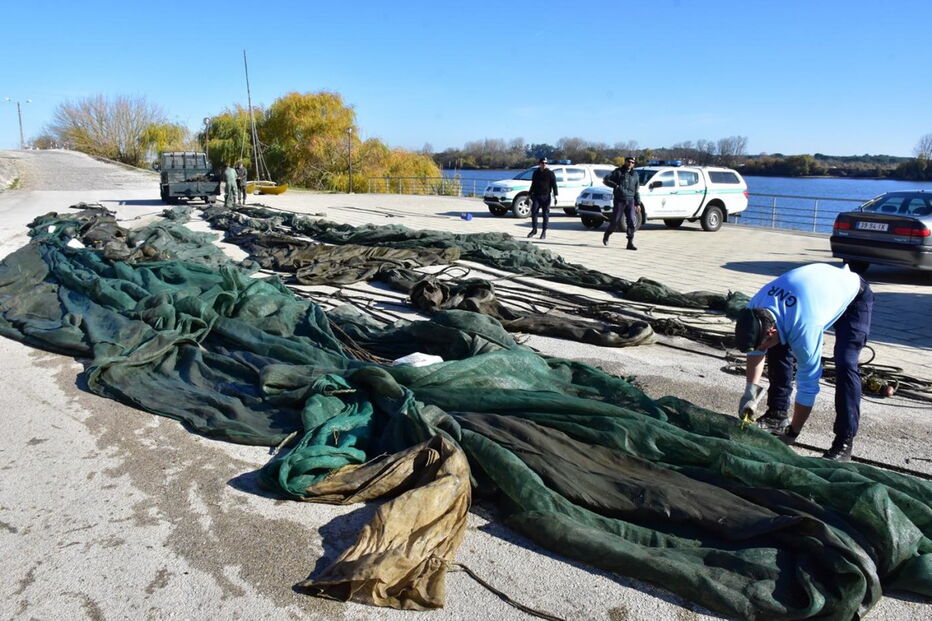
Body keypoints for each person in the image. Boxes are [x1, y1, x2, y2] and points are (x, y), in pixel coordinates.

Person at [734, 263, 873, 462]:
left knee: (845, 363)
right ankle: (777, 415)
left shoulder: (805, 327)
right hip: (818, 290)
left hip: (854, 295)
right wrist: (750, 392)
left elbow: (808, 385)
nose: (761, 349)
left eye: (763, 343)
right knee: (777, 346)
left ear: (770, 331)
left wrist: (793, 433)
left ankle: (844, 441)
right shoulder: (754, 308)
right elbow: (757, 350)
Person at [602, 156, 641, 250]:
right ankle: (607, 234)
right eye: (629, 161)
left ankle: (630, 242)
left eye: (632, 162)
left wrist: (638, 203)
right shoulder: (618, 172)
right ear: (625, 162)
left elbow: (637, 190)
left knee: (631, 221)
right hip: (620, 200)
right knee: (615, 220)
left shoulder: (635, 174)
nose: (630, 164)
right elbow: (606, 180)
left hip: (631, 200)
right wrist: (615, 186)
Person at [526, 158, 558, 240]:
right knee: (534, 212)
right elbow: (533, 184)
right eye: (543, 163)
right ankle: (534, 229)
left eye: (546, 163)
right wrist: (529, 195)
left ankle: (544, 231)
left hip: (546, 196)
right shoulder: (536, 172)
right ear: (539, 163)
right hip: (536, 196)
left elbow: (554, 185)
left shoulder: (550, 173)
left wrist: (556, 196)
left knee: (545, 214)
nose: (544, 164)